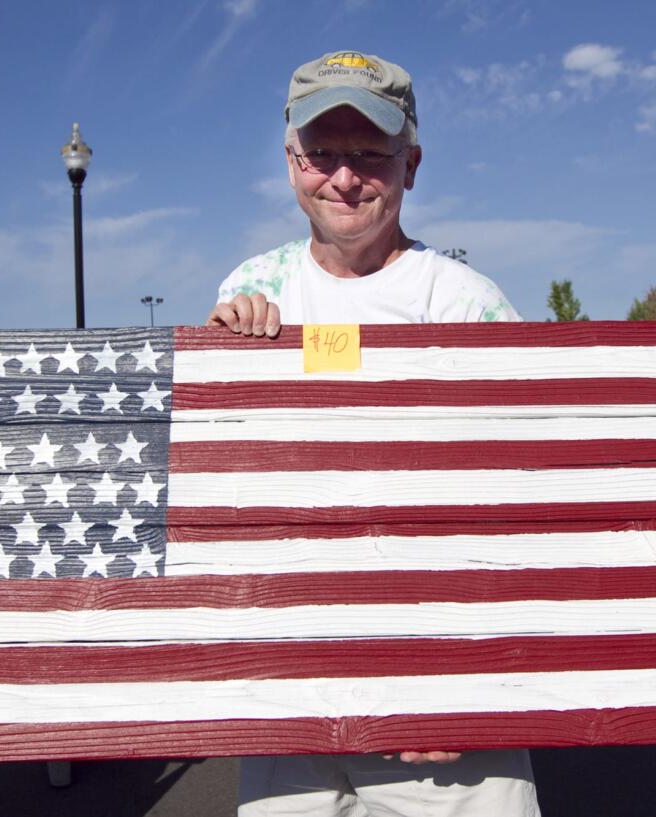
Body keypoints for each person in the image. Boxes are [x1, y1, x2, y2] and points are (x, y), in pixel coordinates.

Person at [207, 50, 541, 817]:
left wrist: (470, 673)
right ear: (292, 161)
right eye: (322, 152)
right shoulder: (251, 289)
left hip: (444, 694)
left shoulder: (465, 303)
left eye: (369, 154)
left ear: (411, 164)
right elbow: (232, 485)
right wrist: (220, 358)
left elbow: (518, 503)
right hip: (294, 682)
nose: (344, 177)